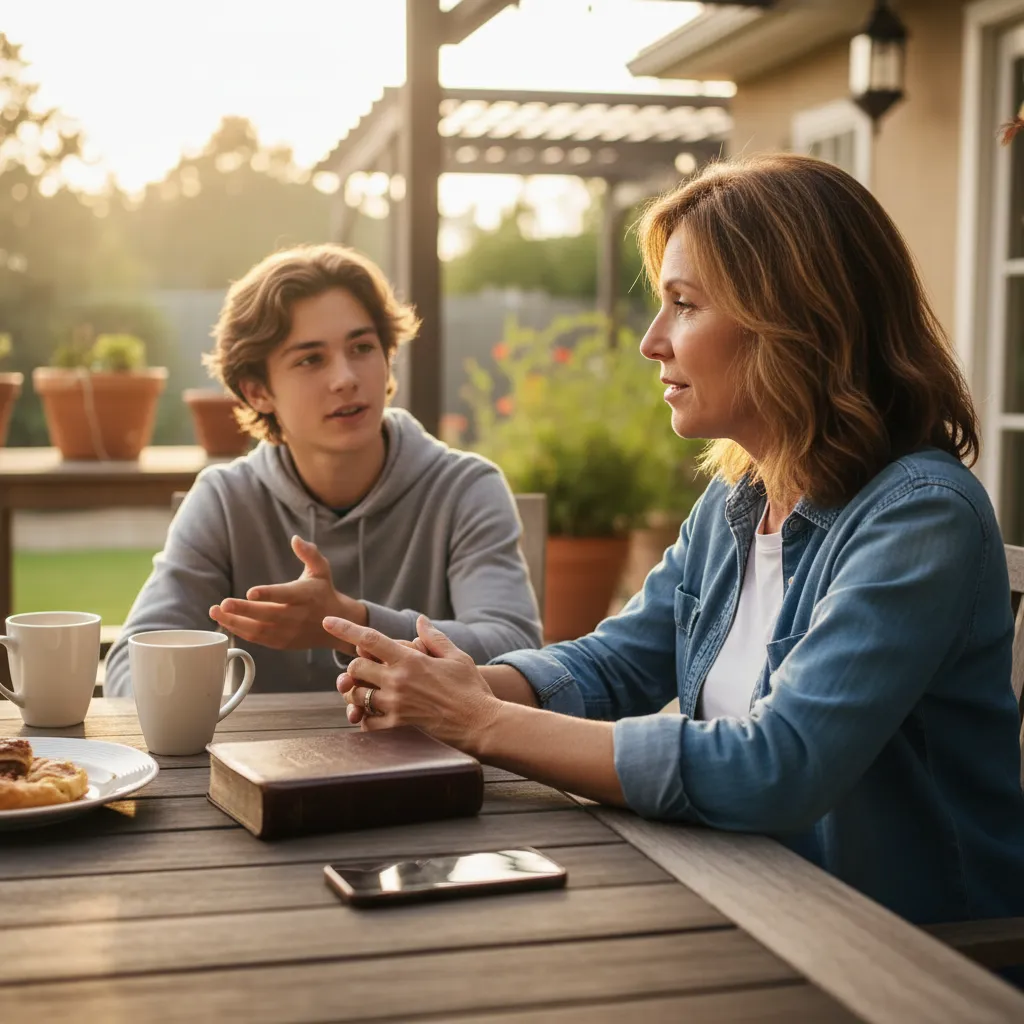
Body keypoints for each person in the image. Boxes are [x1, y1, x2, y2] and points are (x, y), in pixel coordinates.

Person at [326, 154, 1024, 927]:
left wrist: (483, 724)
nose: (651, 341)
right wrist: (453, 688)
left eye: (684, 305)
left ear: (794, 322)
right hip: (739, 893)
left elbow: (779, 766)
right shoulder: (742, 496)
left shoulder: (920, 517)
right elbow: (620, 659)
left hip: (905, 954)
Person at [104, 244, 542, 696]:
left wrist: (350, 623)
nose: (346, 377)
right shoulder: (224, 499)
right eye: (311, 359)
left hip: (433, 759)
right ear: (258, 392)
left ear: (388, 356)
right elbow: (130, 665)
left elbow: (516, 650)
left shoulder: (466, 489)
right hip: (261, 761)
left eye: (363, 347)